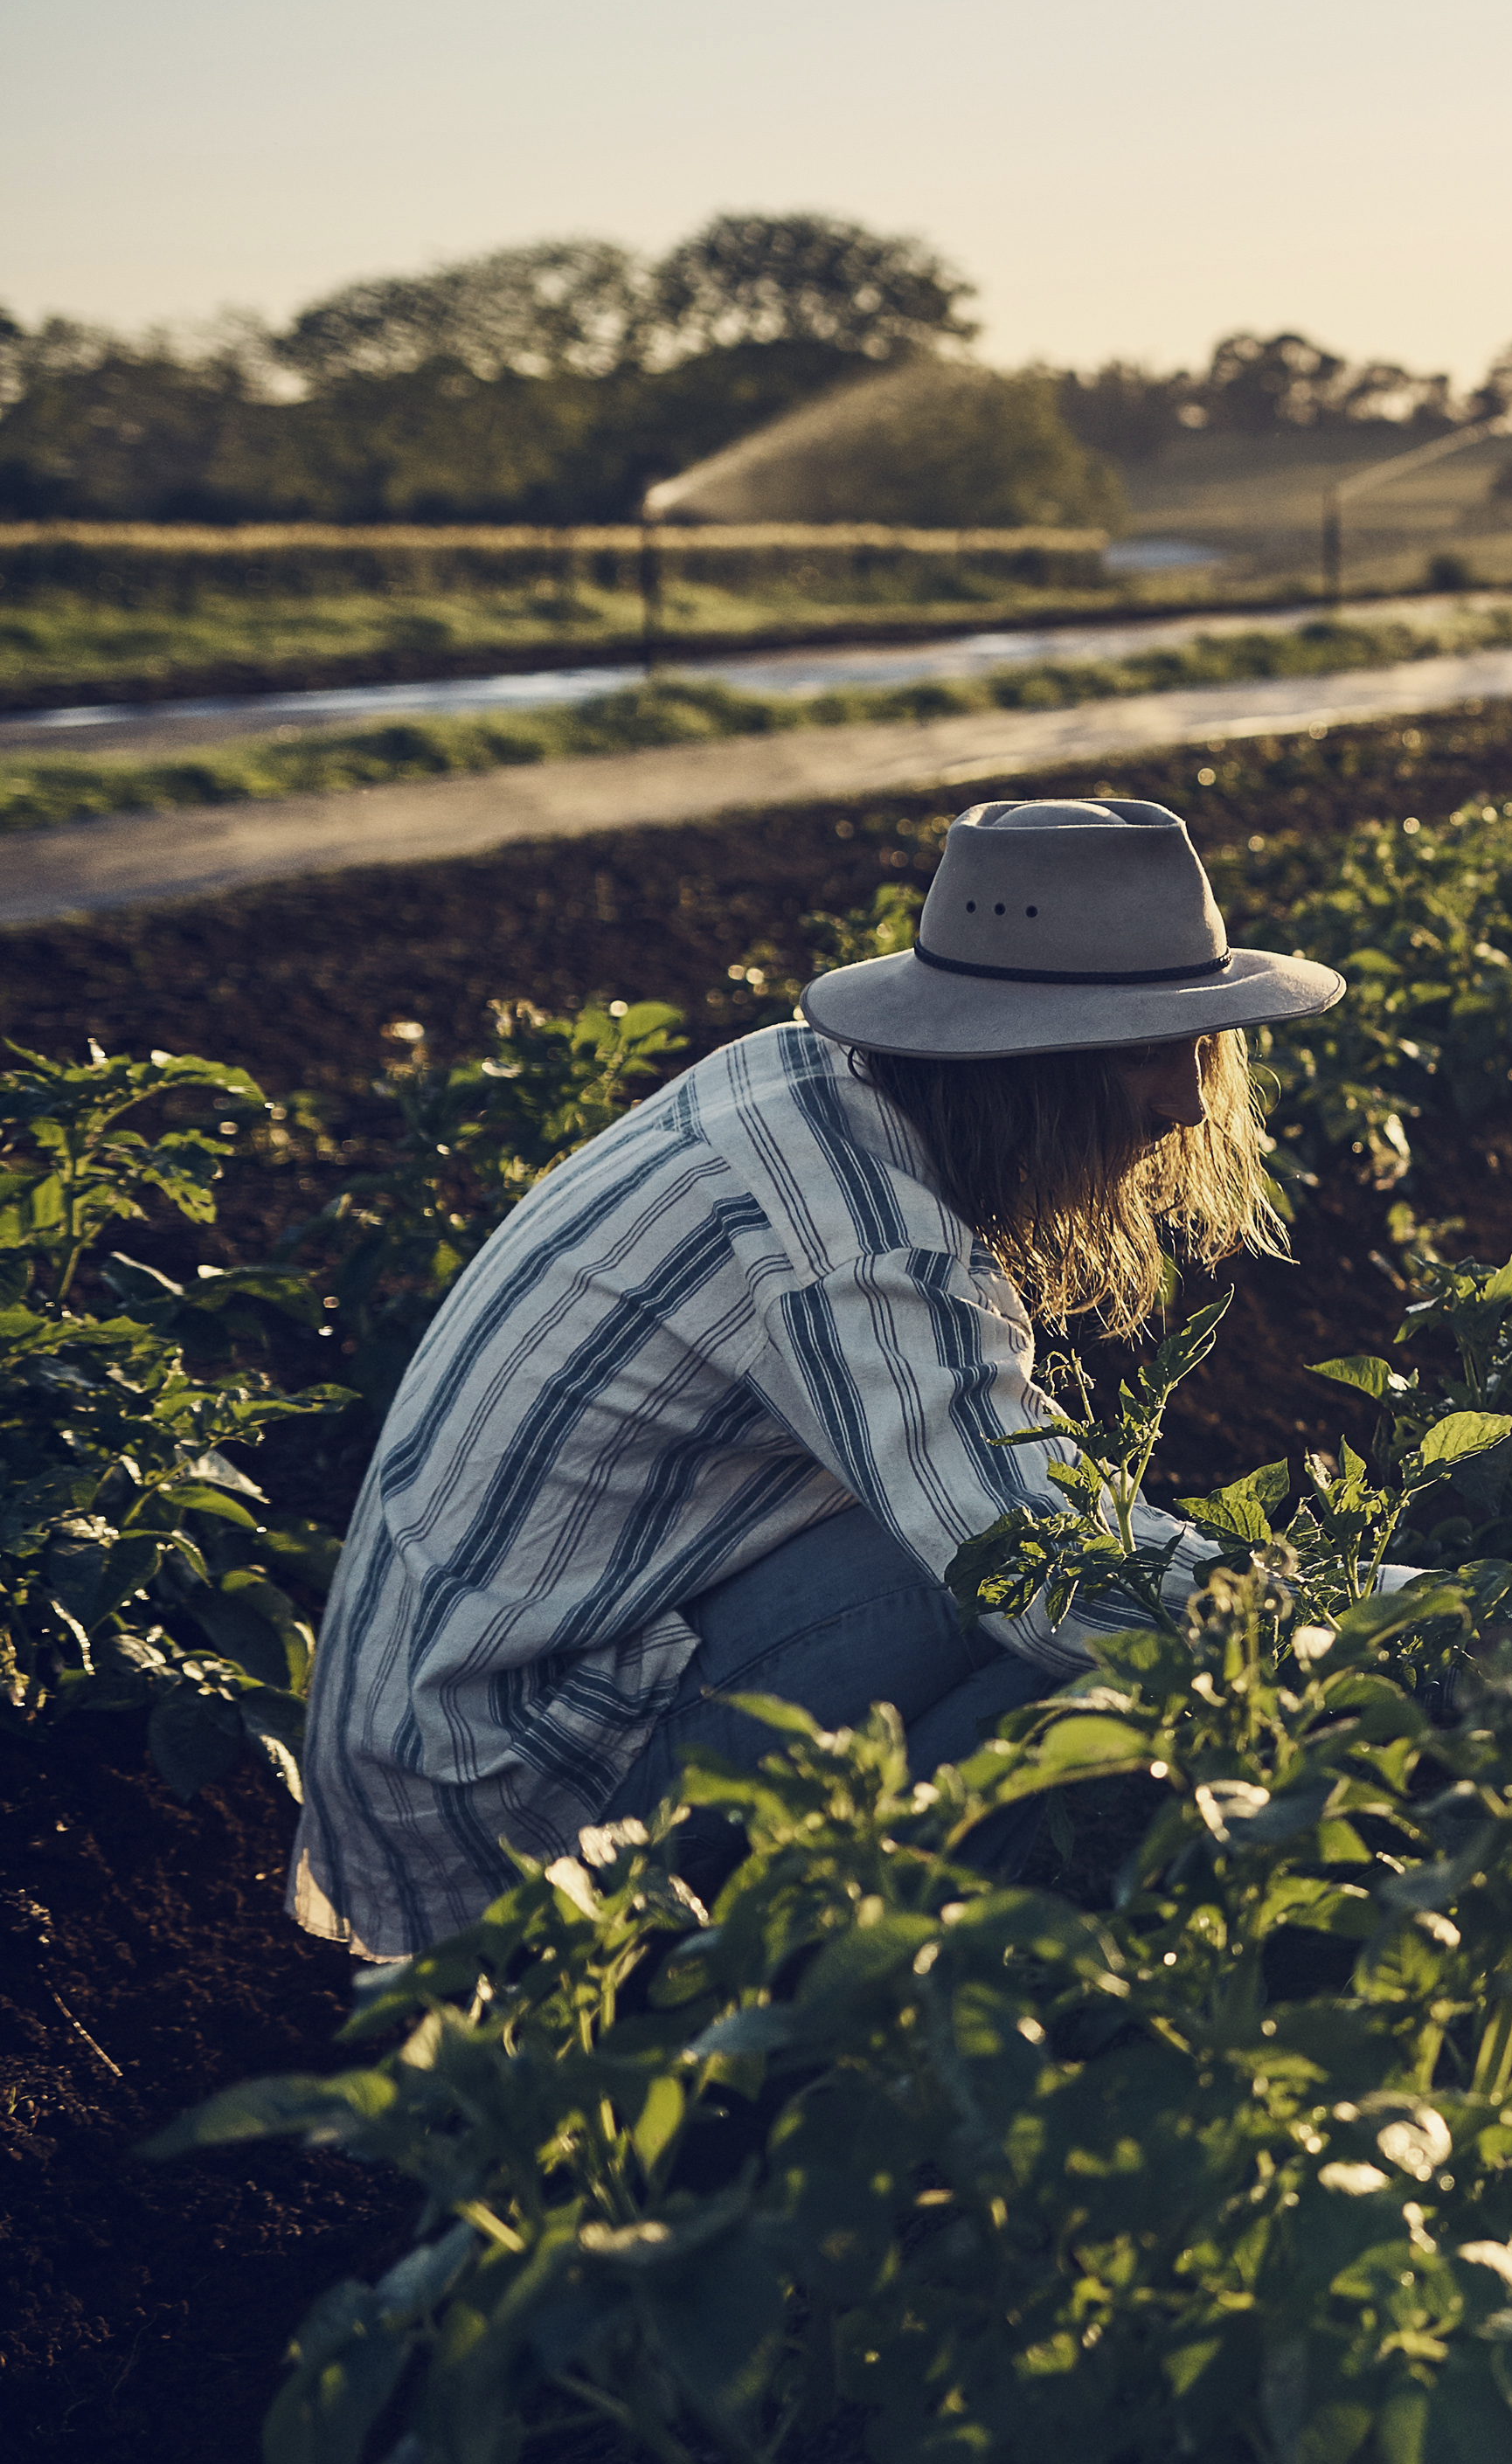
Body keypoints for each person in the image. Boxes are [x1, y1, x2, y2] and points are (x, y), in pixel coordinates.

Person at [292, 797, 1345, 1959]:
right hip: (498, 1810)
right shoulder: (858, 1236)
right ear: (1023, 1055)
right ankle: (856, 2014)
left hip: (473, 1713)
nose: (1188, 1101)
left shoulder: (812, 1086)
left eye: (1198, 1045)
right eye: (1147, 1048)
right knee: (1084, 1675)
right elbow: (1051, 1571)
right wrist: (1418, 1626)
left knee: (1023, 1575)